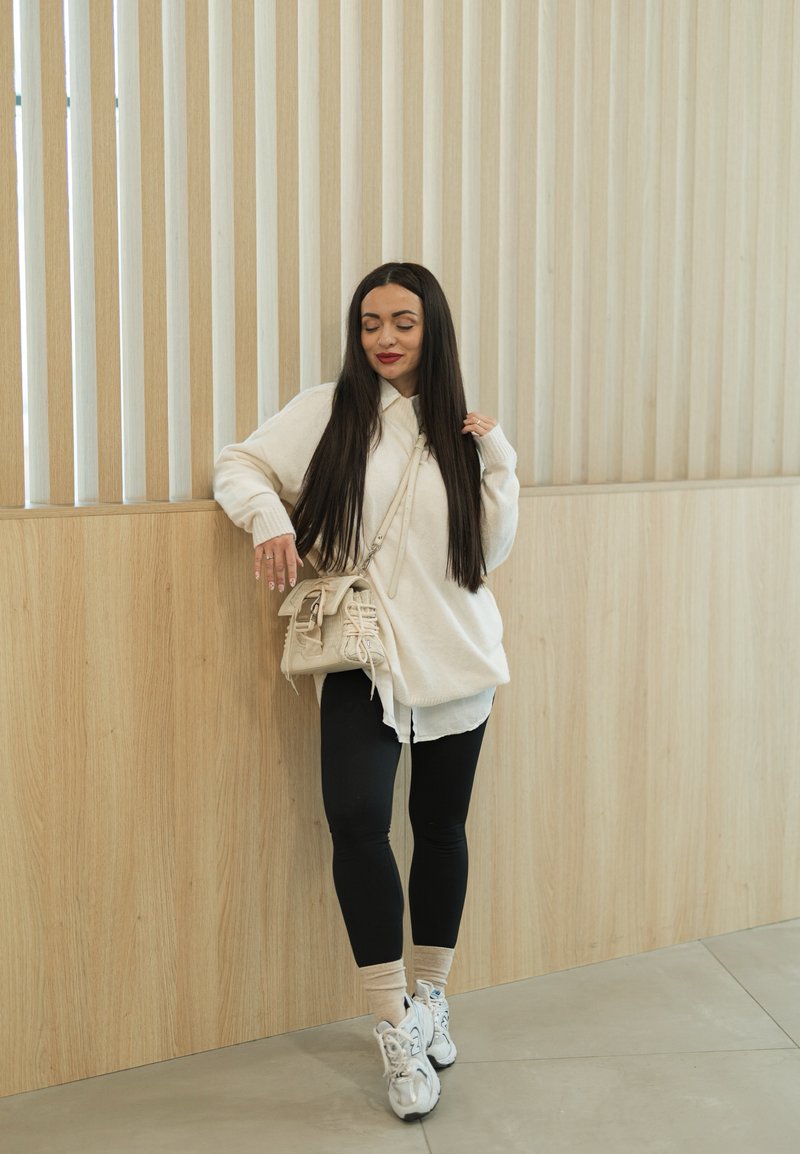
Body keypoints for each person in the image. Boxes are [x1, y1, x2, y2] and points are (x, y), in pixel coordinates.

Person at [214, 262, 519, 1122]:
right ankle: (394, 1024)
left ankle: (433, 1001)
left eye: (404, 322)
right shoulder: (329, 410)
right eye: (370, 322)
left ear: (434, 330)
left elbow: (488, 554)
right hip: (363, 655)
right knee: (357, 821)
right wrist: (271, 517)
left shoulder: (462, 427)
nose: (384, 338)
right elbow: (237, 464)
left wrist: (498, 458)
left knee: (441, 829)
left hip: (458, 653)